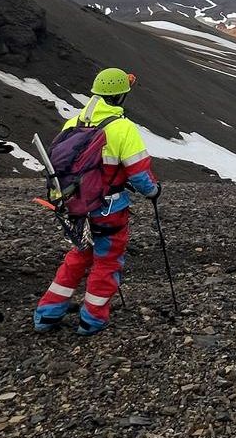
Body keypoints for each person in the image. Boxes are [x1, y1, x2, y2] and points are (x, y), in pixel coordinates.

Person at [34, 67, 159, 335]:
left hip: (77, 207)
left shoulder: (73, 123)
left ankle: (46, 314)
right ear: (121, 96)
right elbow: (139, 174)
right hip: (110, 208)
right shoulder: (122, 127)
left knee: (78, 255)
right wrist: (153, 192)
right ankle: (92, 319)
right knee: (108, 260)